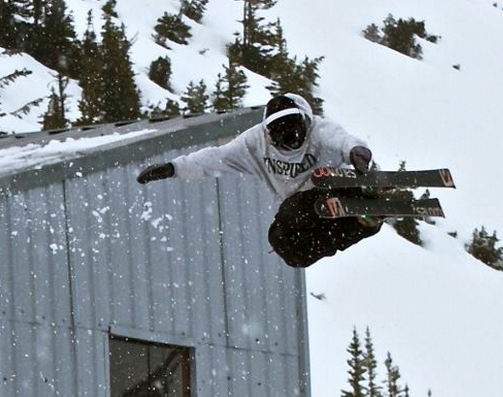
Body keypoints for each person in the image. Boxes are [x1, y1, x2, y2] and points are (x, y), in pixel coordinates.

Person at [137, 93, 381, 269]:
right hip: (308, 212)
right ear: (268, 133)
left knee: (292, 211)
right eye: (281, 136)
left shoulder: (320, 131)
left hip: (321, 193)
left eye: (295, 133)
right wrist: (173, 168)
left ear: (307, 123)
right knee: (287, 246)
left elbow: (343, 140)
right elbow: (214, 159)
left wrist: (356, 152)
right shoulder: (254, 144)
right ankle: (362, 222)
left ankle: (359, 189)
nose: (290, 142)